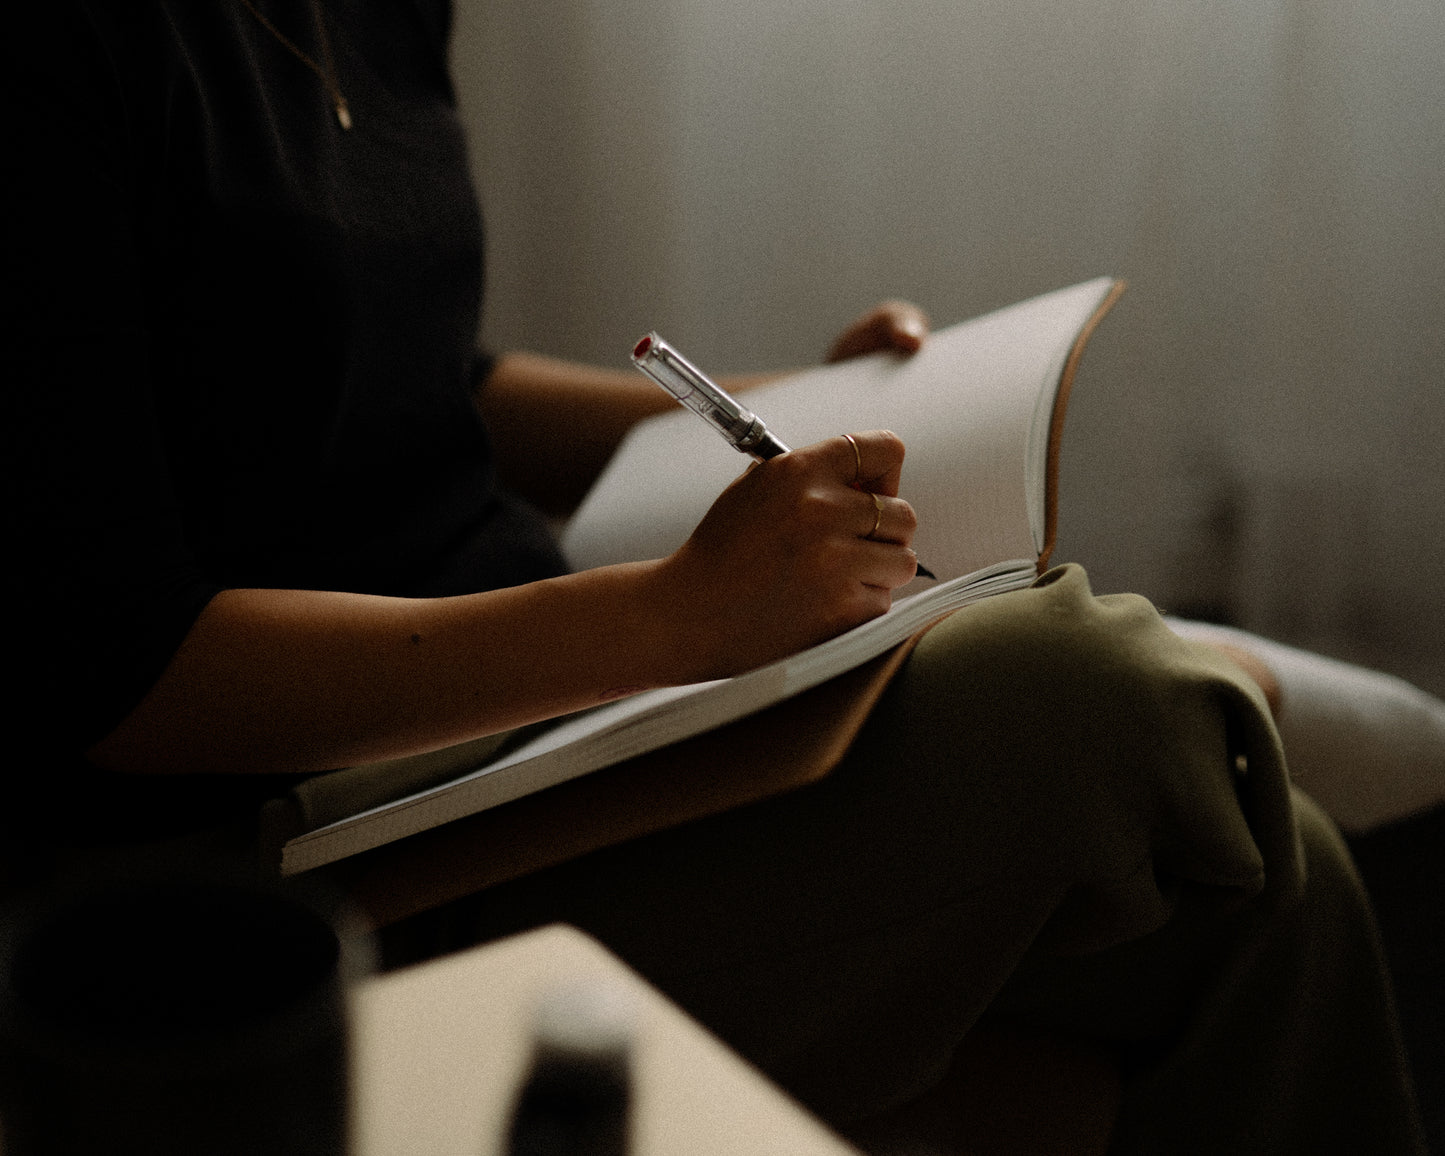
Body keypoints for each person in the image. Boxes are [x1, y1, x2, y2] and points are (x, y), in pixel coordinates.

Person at [5, 4, 1428, 1152]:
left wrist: (804, 410)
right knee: (1091, 694)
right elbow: (122, 674)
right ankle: (1272, 704)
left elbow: (406, 385)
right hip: (271, 844)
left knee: (1273, 889)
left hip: (516, 706)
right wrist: (669, 616)